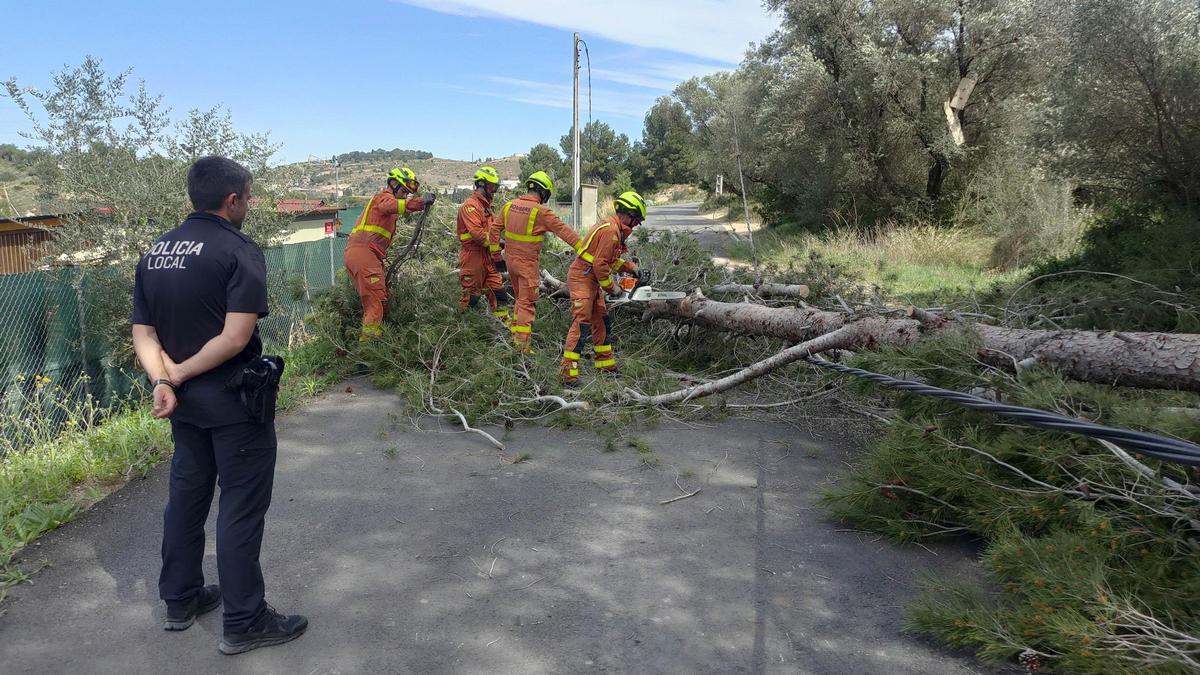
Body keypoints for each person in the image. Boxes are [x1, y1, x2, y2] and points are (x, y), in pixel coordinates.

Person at [131, 156, 307, 655]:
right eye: (248, 198)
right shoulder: (237, 250)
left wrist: (163, 380)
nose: (249, 206)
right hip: (235, 406)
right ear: (233, 200)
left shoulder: (157, 252)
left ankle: (181, 599)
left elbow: (143, 332)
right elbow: (235, 338)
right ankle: (245, 620)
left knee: (186, 500)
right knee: (240, 508)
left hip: (182, 408)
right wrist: (181, 373)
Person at [560, 191, 645, 386]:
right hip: (583, 278)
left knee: (602, 321)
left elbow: (609, 261)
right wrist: (612, 288)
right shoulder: (611, 232)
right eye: (636, 220)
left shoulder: (613, 228)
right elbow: (600, 265)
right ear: (628, 214)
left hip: (591, 279)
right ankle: (568, 373)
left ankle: (605, 364)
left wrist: (631, 267)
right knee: (581, 325)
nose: (635, 225)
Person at [343, 167, 433, 340]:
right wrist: (420, 203)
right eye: (403, 190)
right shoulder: (383, 198)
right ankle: (366, 357)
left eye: (407, 192)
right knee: (375, 302)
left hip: (366, 256)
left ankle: (378, 344)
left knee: (380, 300)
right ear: (393, 184)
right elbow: (391, 205)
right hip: (364, 254)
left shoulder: (388, 207)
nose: (404, 195)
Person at [499, 171, 581, 352]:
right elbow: (564, 232)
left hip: (510, 263)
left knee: (520, 300)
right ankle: (522, 349)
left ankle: (514, 338)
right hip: (527, 265)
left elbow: (494, 229)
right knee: (527, 304)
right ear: (544, 193)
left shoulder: (509, 206)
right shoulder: (541, 211)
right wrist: (585, 249)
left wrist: (494, 255)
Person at [456, 166, 510, 321]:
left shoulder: (487, 208)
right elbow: (479, 235)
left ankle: (504, 328)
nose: (494, 190)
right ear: (482, 185)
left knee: (499, 295)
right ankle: (460, 331)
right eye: (492, 186)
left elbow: (493, 232)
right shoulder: (471, 206)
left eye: (495, 187)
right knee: (470, 298)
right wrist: (500, 243)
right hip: (473, 258)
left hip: (489, 258)